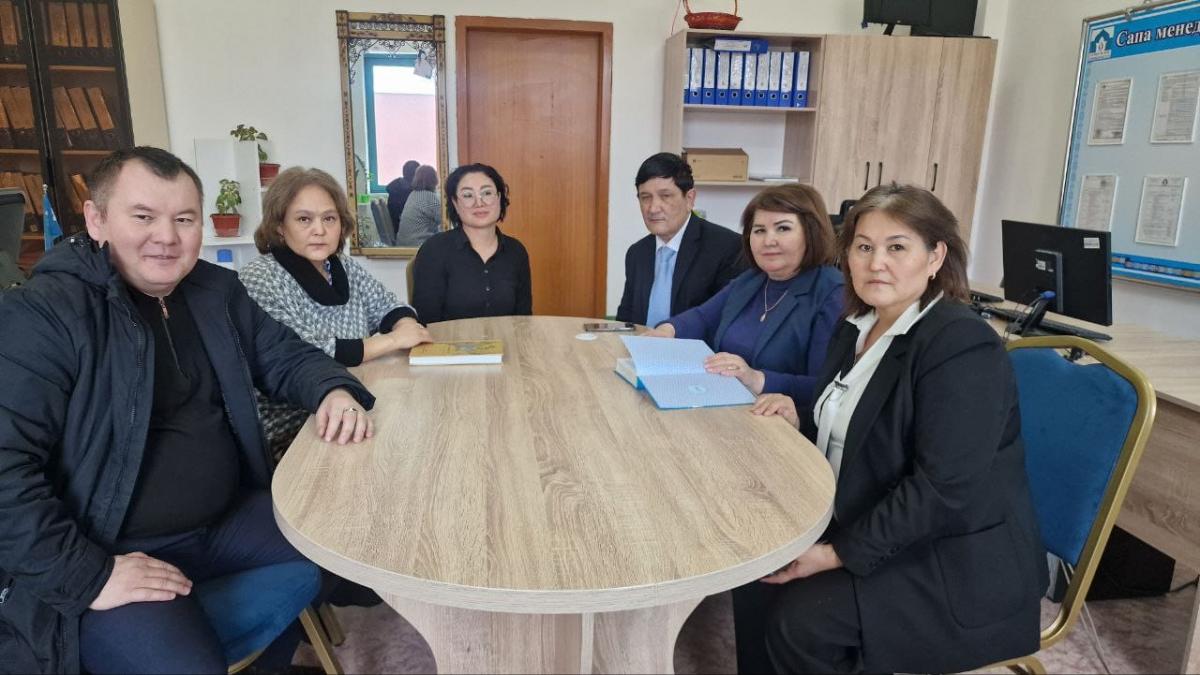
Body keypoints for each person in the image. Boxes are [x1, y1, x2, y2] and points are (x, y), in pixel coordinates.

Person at [0, 147, 378, 674]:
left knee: (347, 545)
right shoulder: (43, 314)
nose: (166, 237)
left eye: (183, 219)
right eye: (143, 217)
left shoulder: (214, 290)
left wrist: (332, 390)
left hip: (221, 521)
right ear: (96, 219)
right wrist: (89, 575)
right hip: (109, 549)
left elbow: (286, 354)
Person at [740, 183, 1048, 674]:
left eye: (897, 247)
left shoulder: (961, 345)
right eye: (863, 247)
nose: (876, 263)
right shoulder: (856, 326)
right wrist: (804, 418)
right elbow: (860, 427)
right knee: (754, 569)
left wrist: (835, 554)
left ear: (935, 257)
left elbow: (942, 489)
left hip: (950, 559)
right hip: (874, 517)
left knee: (801, 620)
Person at [240, 166, 432, 457]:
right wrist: (394, 340)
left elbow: (388, 304)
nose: (319, 230)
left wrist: (406, 324)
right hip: (296, 425)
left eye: (329, 218)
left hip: (354, 397)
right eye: (304, 219)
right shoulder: (260, 277)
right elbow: (308, 352)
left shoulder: (340, 264)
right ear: (279, 225)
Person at [641, 184, 843, 410]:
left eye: (783, 228)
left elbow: (827, 388)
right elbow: (702, 317)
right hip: (728, 405)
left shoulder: (832, 293)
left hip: (784, 421)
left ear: (811, 232)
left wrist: (756, 378)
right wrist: (666, 331)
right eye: (759, 230)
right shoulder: (751, 280)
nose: (768, 240)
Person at [615, 152, 744, 327]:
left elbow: (724, 322)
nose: (653, 208)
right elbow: (625, 321)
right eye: (645, 198)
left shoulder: (727, 247)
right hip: (639, 343)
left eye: (665, 196)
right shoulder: (637, 253)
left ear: (689, 199)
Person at [410, 163, 532, 323]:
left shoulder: (516, 251)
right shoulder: (434, 250)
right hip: (447, 339)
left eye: (487, 193)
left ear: (499, 198)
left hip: (506, 338)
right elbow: (426, 323)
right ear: (455, 203)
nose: (479, 203)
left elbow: (523, 320)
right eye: (468, 195)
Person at [395, 164, 442, 247]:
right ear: (434, 179)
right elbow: (445, 220)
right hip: (419, 245)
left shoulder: (413, 194)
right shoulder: (430, 197)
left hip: (403, 243)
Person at [386, 159, 420, 231]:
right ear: (415, 175)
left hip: (399, 228)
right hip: (405, 230)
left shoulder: (398, 186)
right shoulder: (406, 192)